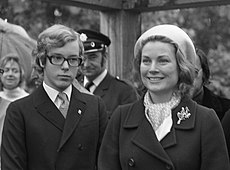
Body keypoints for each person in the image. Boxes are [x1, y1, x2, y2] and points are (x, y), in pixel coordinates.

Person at [98, 24, 230, 170]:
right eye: (146, 61)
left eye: (163, 61)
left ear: (181, 67)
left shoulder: (205, 120)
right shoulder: (121, 117)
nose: (153, 69)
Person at [1, 24, 108, 170]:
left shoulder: (94, 106)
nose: (65, 66)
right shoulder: (19, 111)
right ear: (41, 60)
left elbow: (106, 162)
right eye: (57, 58)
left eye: (72, 59)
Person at [77, 29, 138, 118]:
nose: (86, 64)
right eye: (82, 58)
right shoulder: (72, 86)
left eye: (92, 57)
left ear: (105, 57)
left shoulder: (124, 91)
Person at [191, 48, 230, 120]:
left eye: (194, 72)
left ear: (204, 74)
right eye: (182, 72)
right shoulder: (166, 109)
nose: (187, 78)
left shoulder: (226, 110)